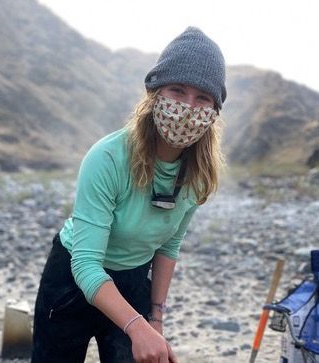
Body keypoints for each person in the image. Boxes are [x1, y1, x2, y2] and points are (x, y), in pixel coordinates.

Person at [31, 26, 227, 363]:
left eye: (203, 98)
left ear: (214, 110)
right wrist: (136, 326)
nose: (188, 107)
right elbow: (86, 264)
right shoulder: (107, 157)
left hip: (135, 280)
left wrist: (154, 319)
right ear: (155, 92)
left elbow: (169, 246)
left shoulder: (199, 173)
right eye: (177, 90)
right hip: (72, 281)